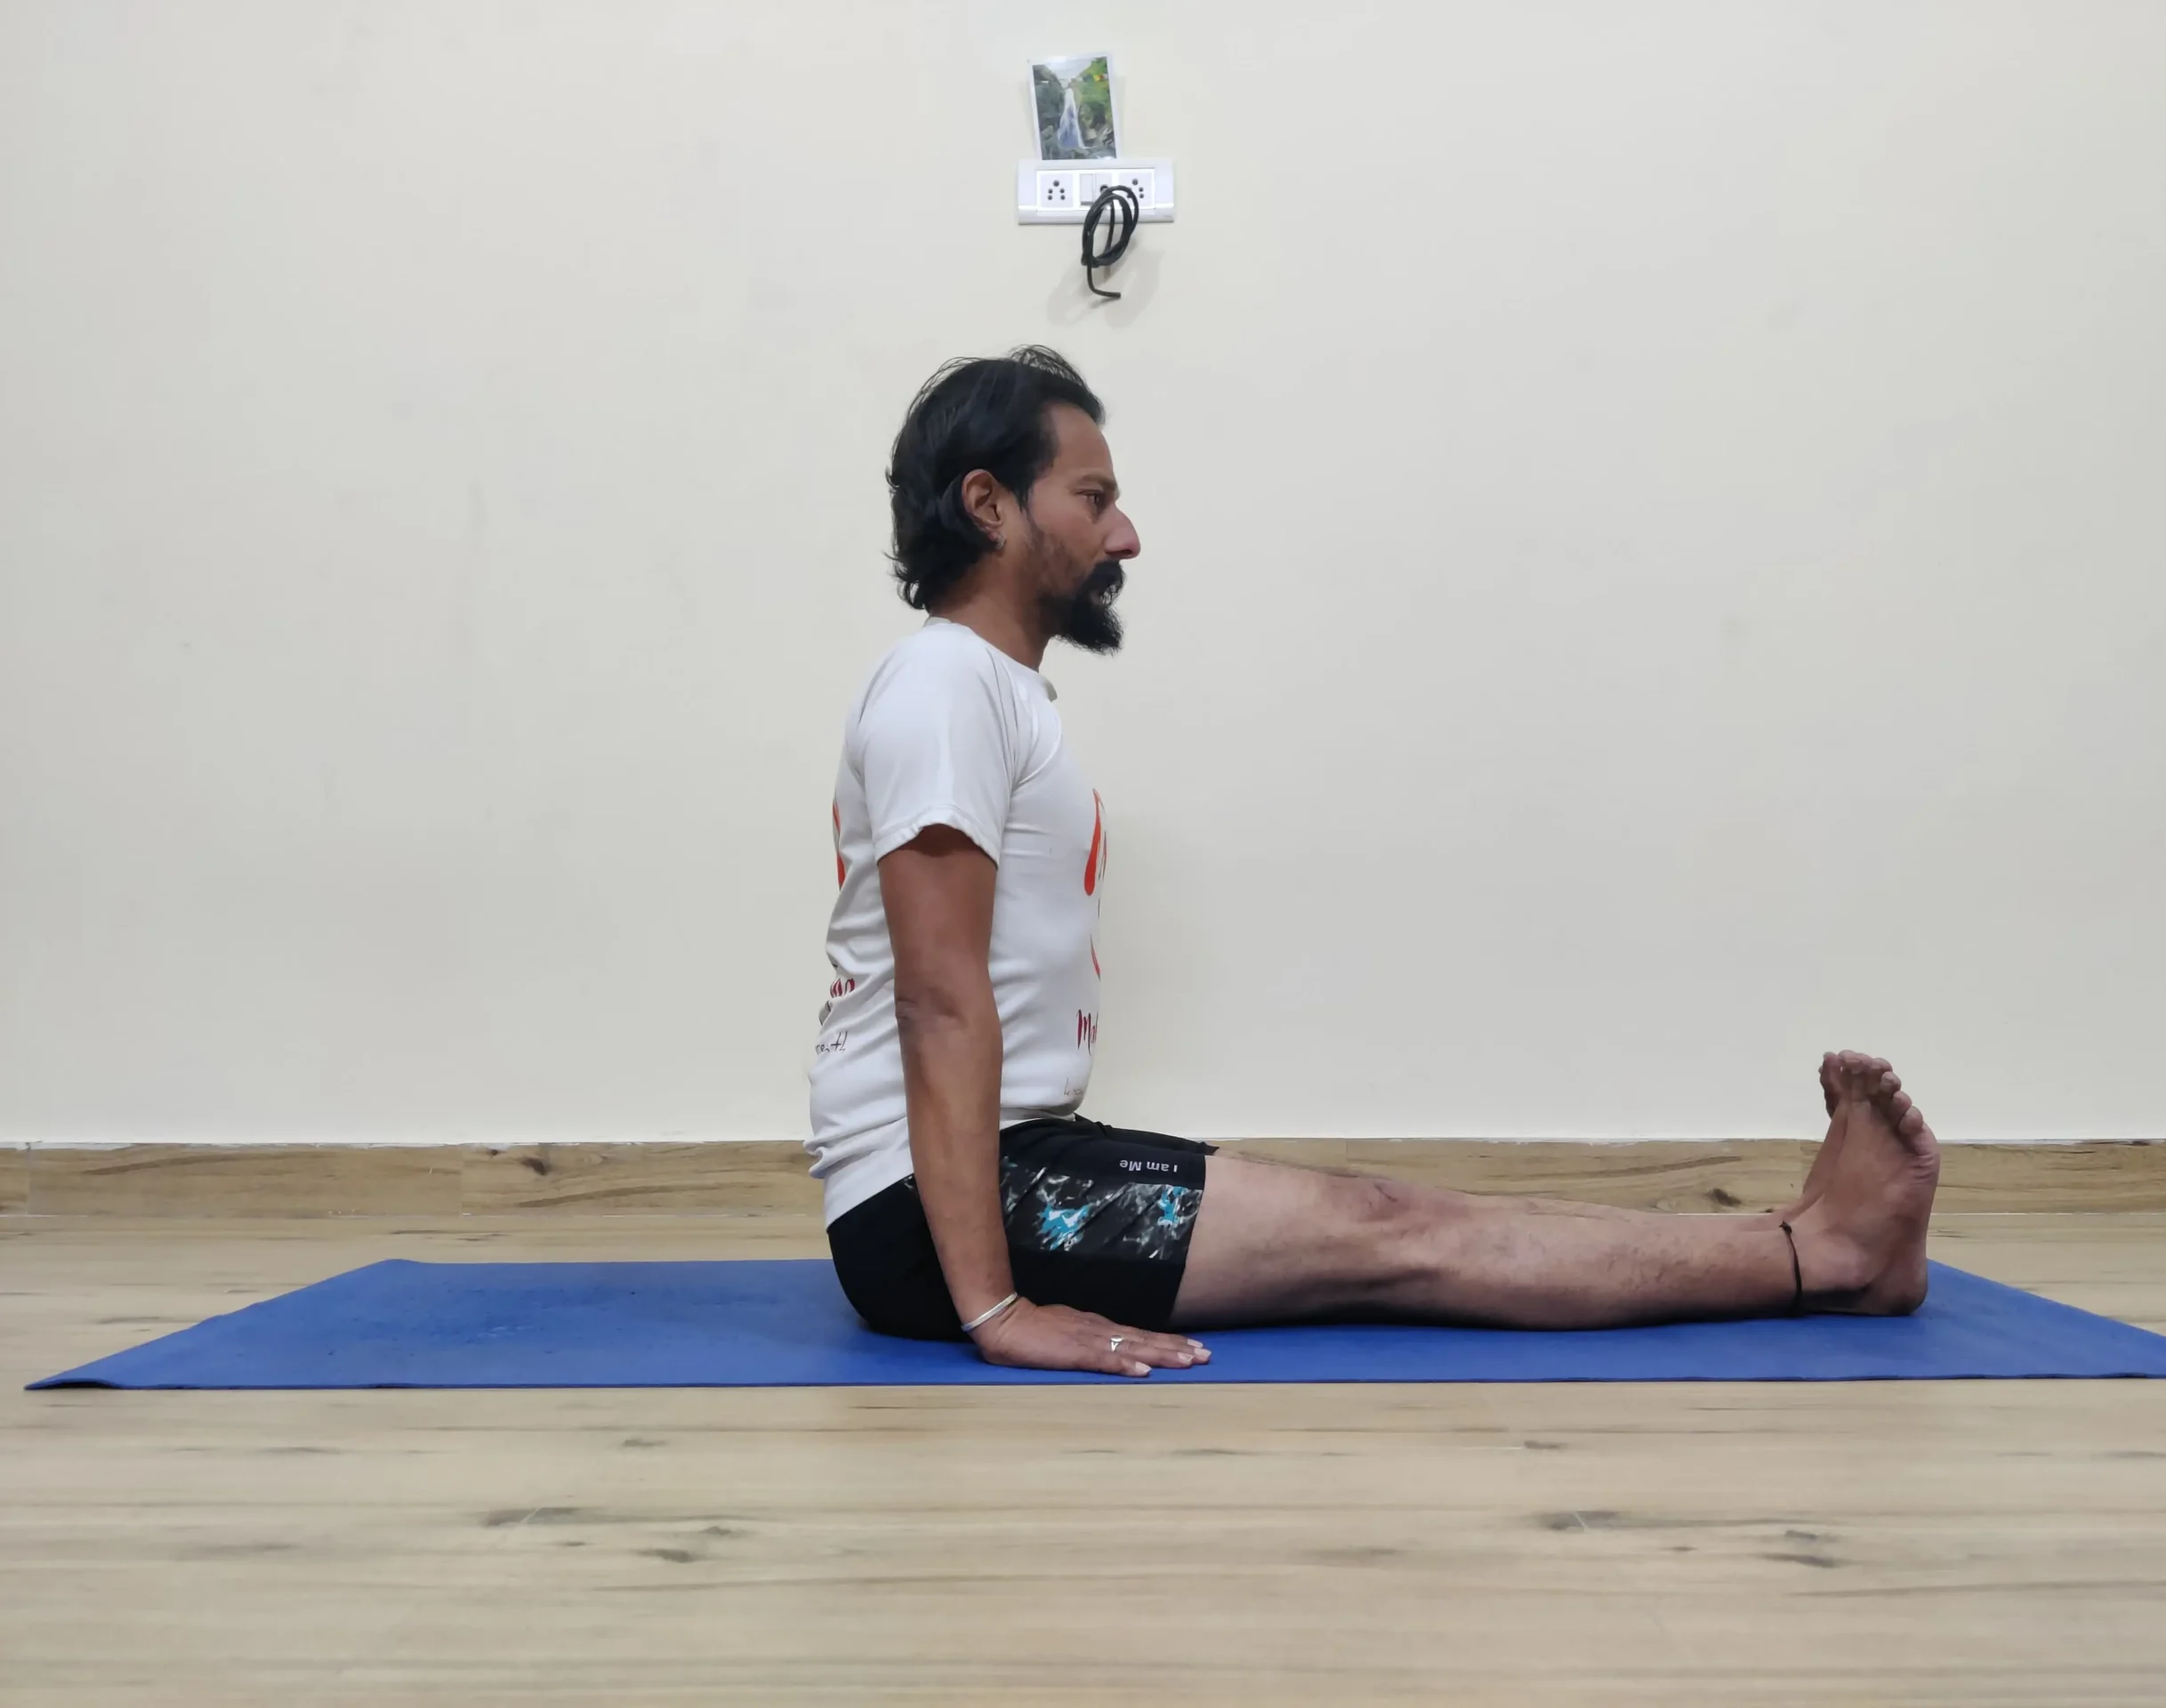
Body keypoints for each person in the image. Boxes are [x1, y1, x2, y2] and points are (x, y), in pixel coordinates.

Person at [809, 346, 1942, 1377]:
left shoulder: (981, 690)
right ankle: (1828, 1257)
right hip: (938, 1205)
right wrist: (995, 1307)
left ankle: (1806, 1244)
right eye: (1093, 499)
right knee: (1395, 1236)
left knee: (1388, 1216)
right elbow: (942, 1004)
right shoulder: (945, 688)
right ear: (988, 505)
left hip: (1010, 1171)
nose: (1126, 536)